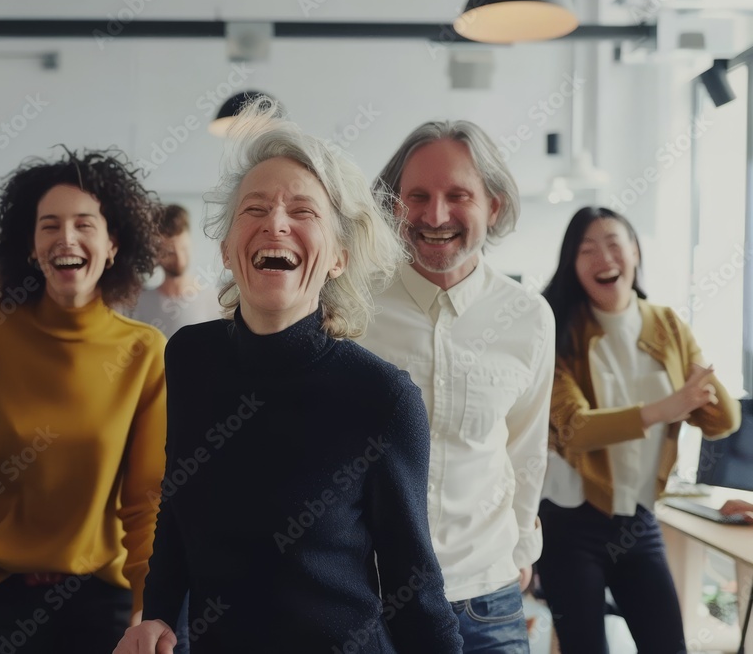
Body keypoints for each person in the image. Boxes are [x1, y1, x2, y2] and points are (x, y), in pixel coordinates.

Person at [115, 99, 463, 654]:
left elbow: (414, 586)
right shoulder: (189, 357)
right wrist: (157, 616)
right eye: (254, 209)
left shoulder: (382, 398)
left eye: (303, 211)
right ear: (229, 249)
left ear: (339, 257)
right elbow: (177, 507)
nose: (275, 221)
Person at [0, 149, 168, 654]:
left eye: (84, 224)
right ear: (31, 246)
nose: (66, 238)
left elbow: (145, 501)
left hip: (100, 599)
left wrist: (147, 609)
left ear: (112, 245)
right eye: (49, 226)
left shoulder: (143, 352)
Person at [359, 121, 555, 653]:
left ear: (493, 207)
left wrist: (519, 551)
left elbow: (526, 449)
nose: (435, 215)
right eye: (417, 196)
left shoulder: (530, 317)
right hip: (372, 598)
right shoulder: (353, 307)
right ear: (393, 206)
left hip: (485, 599)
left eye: (458, 195)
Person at [538, 205, 740, 653]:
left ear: (635, 252)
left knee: (668, 646)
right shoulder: (559, 331)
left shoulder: (666, 324)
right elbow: (576, 429)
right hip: (571, 522)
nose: (603, 257)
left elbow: (722, 421)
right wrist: (668, 406)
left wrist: (701, 374)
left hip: (640, 521)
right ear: (573, 264)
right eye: (587, 249)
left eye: (614, 243)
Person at [131, 204, 220, 338]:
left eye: (184, 248)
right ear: (155, 253)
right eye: (170, 252)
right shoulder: (140, 304)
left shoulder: (214, 301)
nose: (180, 259)